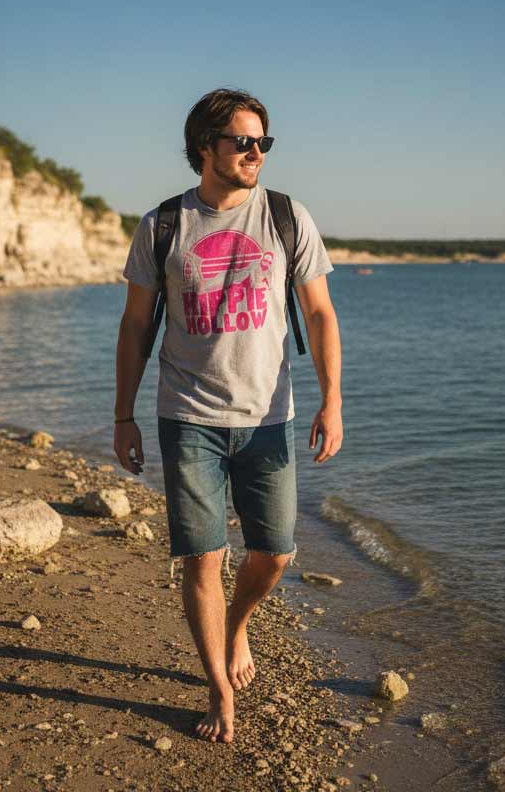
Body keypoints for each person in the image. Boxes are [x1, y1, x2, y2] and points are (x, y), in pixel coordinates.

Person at [114, 88, 342, 744]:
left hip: (269, 417)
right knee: (202, 559)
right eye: (242, 141)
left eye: (262, 142)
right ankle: (217, 686)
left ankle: (238, 623)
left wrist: (332, 400)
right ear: (204, 147)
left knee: (274, 555)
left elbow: (321, 313)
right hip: (187, 415)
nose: (255, 152)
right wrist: (123, 416)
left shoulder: (287, 217)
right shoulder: (162, 227)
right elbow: (134, 327)